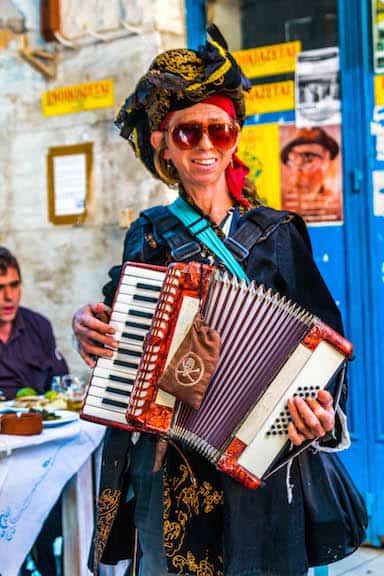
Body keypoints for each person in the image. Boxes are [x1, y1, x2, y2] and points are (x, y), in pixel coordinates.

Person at [73, 27, 349, 576]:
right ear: (162, 145)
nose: (204, 146)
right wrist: (87, 324)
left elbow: (325, 341)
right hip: (169, 467)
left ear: (235, 139)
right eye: (187, 133)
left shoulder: (278, 233)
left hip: (260, 465)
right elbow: (116, 320)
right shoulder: (148, 234)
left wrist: (321, 413)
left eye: (218, 131)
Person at [0, 246, 68, 576]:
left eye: (14, 285)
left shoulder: (38, 325)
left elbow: (60, 385)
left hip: (43, 445)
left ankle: (48, 562)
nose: (8, 297)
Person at [280, 126, 343, 223]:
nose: (298, 169)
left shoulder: (336, 204)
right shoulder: (284, 203)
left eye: (309, 159)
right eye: (293, 160)